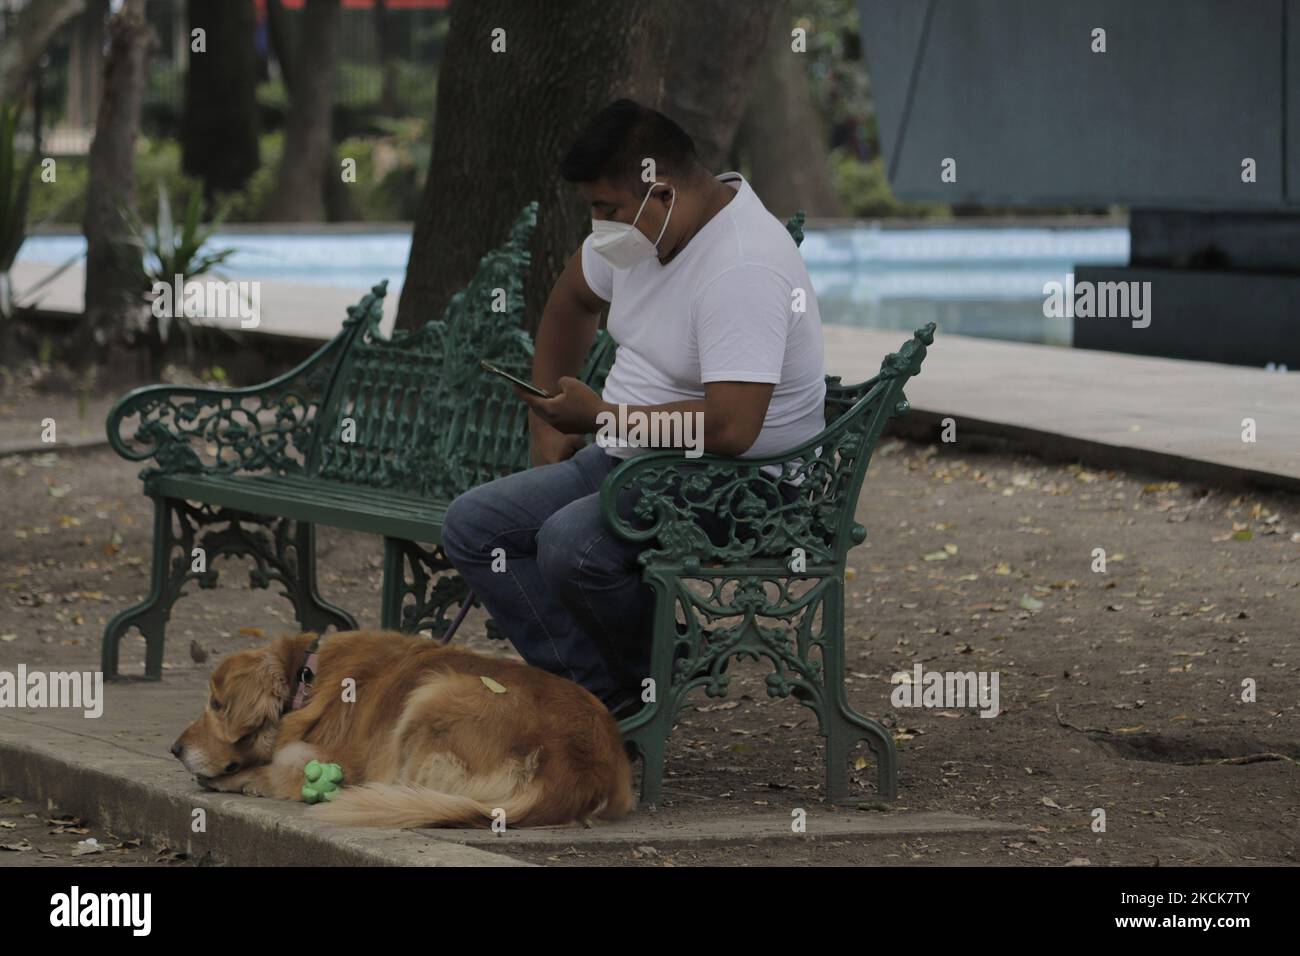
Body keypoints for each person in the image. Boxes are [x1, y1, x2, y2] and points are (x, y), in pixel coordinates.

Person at [441, 99, 826, 719]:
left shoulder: (741, 267)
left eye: (607, 209)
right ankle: (605, 701)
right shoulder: (641, 235)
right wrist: (544, 415)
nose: (599, 226)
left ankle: (654, 677)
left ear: (662, 192)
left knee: (574, 544)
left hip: (745, 485)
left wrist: (602, 418)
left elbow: (732, 429)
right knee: (474, 525)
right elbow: (571, 300)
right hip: (634, 458)